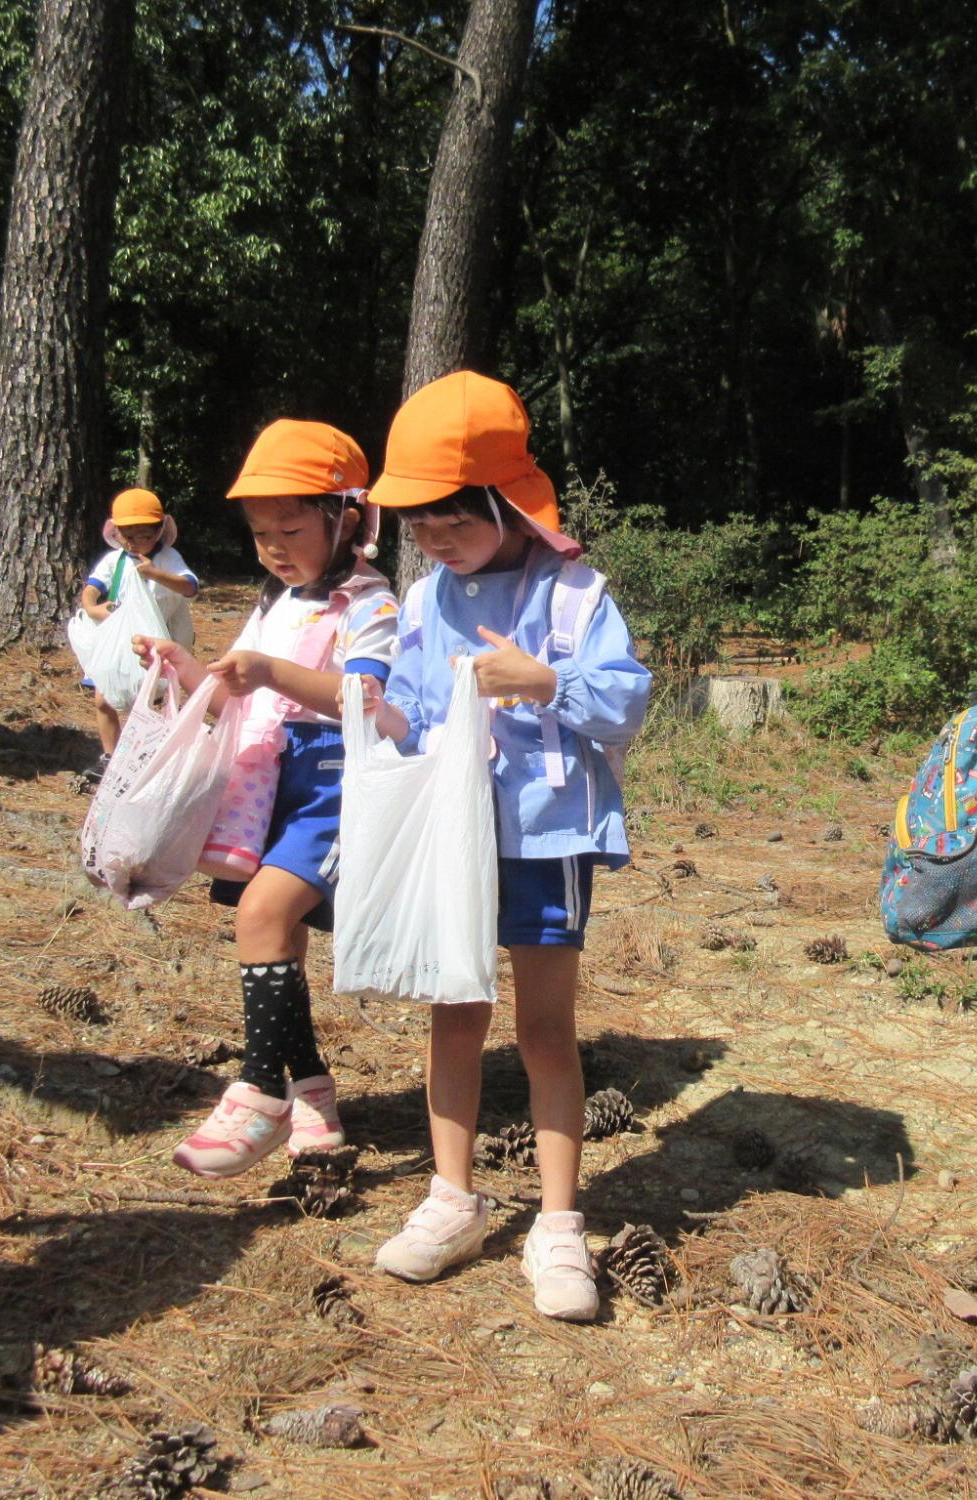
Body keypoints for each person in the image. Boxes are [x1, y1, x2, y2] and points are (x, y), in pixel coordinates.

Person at [353, 371, 651, 1321]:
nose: (437, 542)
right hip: (454, 839)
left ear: (509, 503)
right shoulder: (428, 594)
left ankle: (558, 1223)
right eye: (420, 527)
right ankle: (453, 1197)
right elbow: (416, 710)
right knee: (454, 1017)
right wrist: (381, 715)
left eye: (454, 521)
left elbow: (627, 702)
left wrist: (545, 681)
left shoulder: (574, 595)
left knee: (545, 1031)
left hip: (544, 837)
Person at [139, 422, 398, 1178]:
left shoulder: (369, 602)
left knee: (261, 915)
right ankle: (311, 1090)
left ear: (347, 518)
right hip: (269, 782)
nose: (276, 545)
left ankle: (258, 1089)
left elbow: (368, 697)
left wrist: (270, 673)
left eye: (292, 526)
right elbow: (236, 696)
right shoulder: (276, 601)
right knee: (275, 937)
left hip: (334, 783)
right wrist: (187, 667)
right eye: (260, 532)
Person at [79, 487, 199, 769]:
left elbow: (190, 587)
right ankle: (109, 757)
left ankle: (147, 759)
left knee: (148, 702)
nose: (135, 544)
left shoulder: (169, 559)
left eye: (144, 536)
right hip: (120, 641)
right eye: (128, 537)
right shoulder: (115, 560)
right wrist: (92, 608)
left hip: (158, 639)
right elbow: (92, 588)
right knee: (104, 697)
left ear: (159, 531)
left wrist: (155, 573)